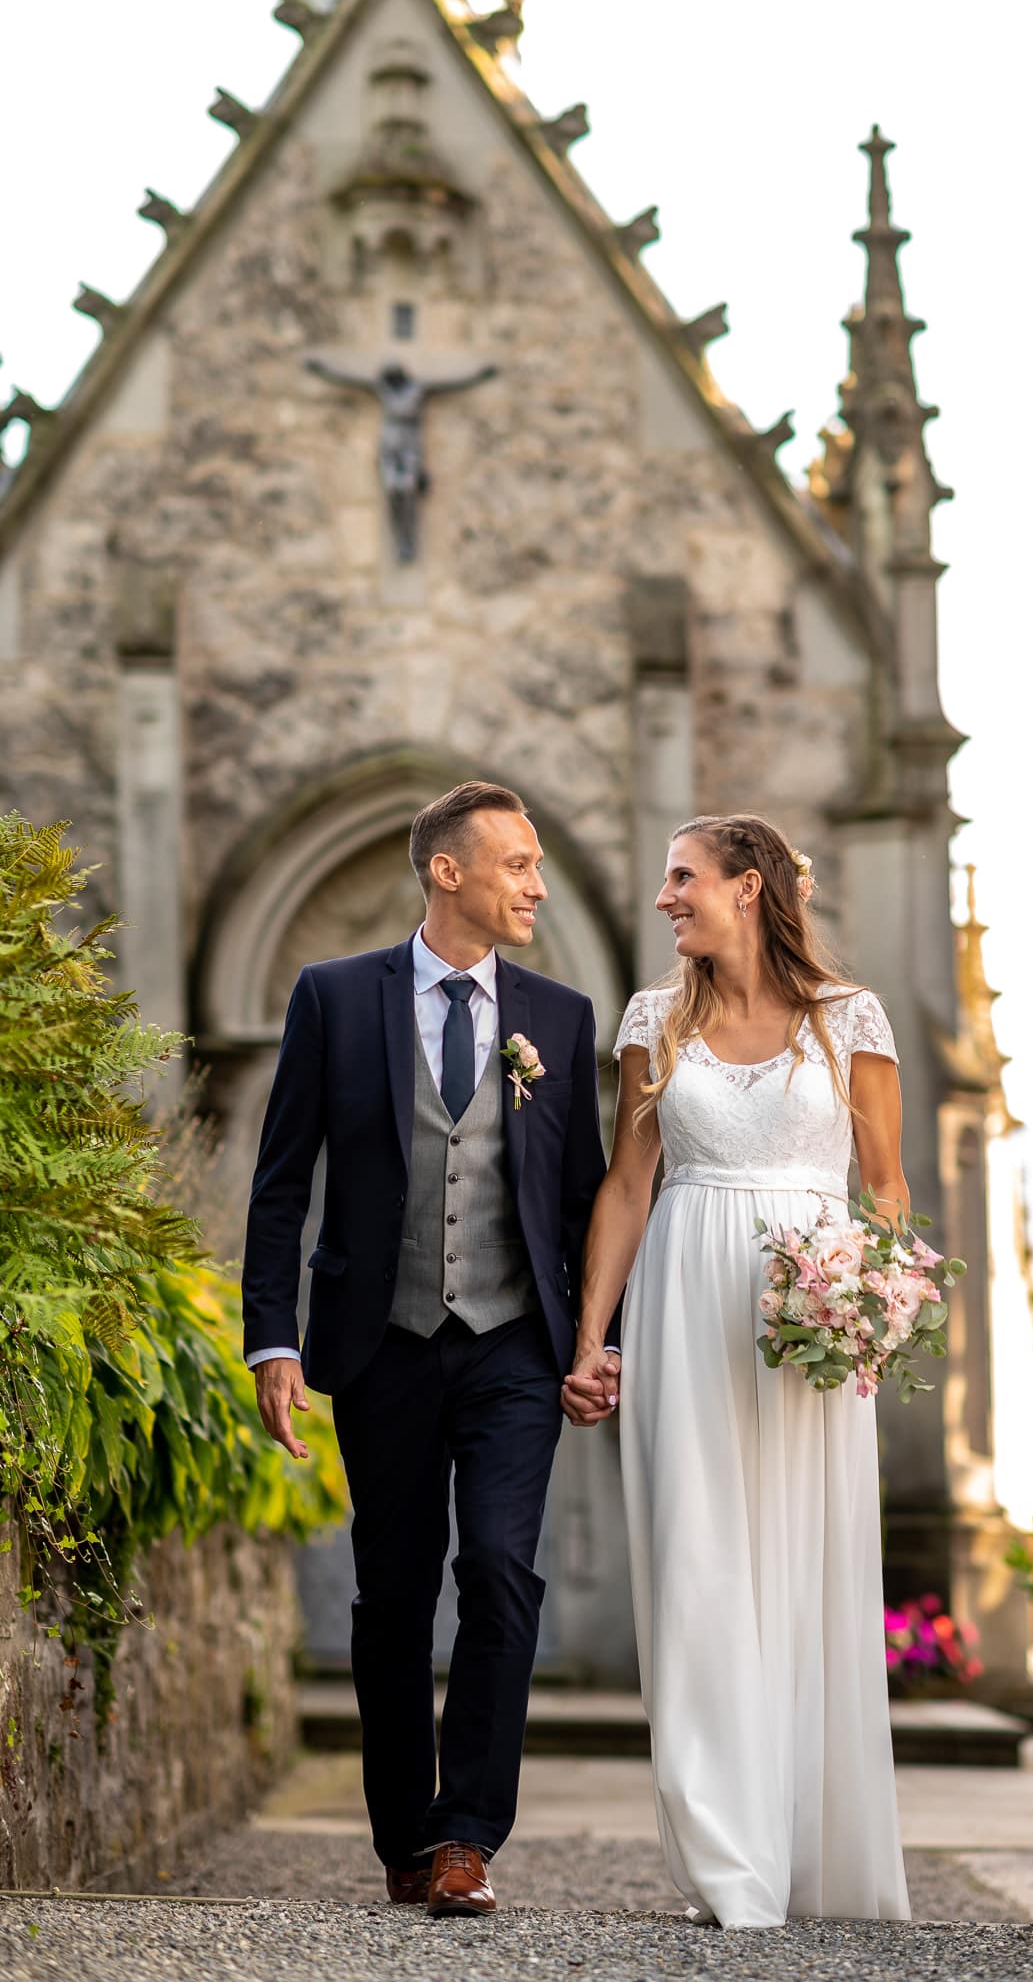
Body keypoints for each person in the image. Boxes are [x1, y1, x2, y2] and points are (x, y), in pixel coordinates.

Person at [242, 780, 619, 1918]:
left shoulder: (556, 1015)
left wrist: (599, 1339)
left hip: (513, 1344)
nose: (537, 885)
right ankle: (405, 1833)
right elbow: (278, 1184)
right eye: (516, 863)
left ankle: (467, 1836)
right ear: (445, 870)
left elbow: (582, 1194)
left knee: (500, 1570)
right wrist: (273, 1338)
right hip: (381, 1341)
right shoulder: (333, 997)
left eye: (540, 864)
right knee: (393, 1595)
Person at [562, 813, 911, 1927]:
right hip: (684, 1300)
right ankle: (727, 1854)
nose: (664, 897)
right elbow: (626, 1184)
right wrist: (590, 1339)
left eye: (681, 876)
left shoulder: (846, 1018)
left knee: (803, 1563)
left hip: (811, 1314)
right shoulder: (653, 1020)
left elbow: (885, 1182)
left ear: (746, 887)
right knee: (699, 1560)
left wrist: (871, 1298)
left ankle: (809, 1844)